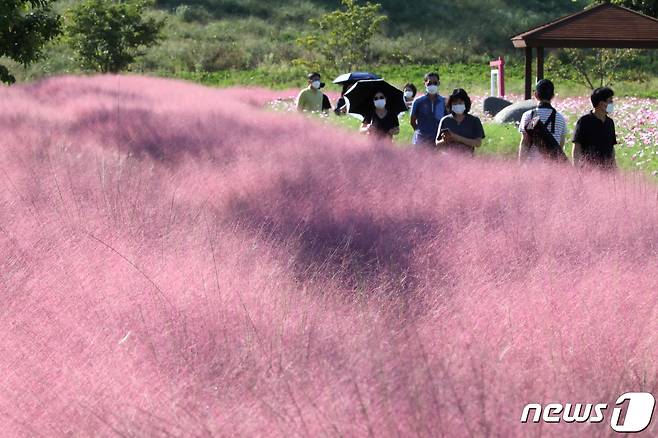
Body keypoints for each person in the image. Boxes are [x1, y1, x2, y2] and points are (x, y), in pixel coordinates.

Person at [518, 79, 567, 162]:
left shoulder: (528, 116)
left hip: (532, 167)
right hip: (553, 168)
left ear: (535, 94)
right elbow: (560, 147)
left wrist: (519, 166)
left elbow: (525, 144)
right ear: (552, 96)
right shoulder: (561, 119)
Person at [572, 87, 617, 170]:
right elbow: (577, 148)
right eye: (610, 101)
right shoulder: (584, 121)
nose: (612, 104)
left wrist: (615, 171)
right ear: (601, 103)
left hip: (607, 172)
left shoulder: (610, 123)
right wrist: (576, 169)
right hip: (588, 172)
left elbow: (612, 150)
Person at [435, 88, 485, 155]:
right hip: (448, 159)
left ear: (465, 103)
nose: (457, 105)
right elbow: (437, 144)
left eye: (460, 102)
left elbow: (478, 143)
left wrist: (457, 138)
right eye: (455, 103)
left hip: (467, 159)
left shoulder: (474, 120)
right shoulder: (445, 120)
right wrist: (446, 139)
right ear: (451, 104)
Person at [410, 72, 447, 146]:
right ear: (425, 84)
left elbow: (447, 120)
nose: (432, 85)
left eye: (435, 83)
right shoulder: (418, 101)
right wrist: (420, 132)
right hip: (421, 141)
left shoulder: (444, 102)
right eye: (429, 83)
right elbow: (412, 121)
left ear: (439, 83)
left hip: (438, 140)